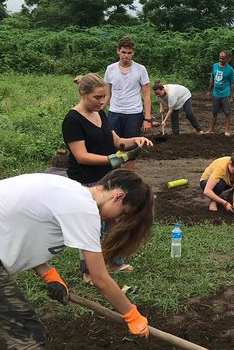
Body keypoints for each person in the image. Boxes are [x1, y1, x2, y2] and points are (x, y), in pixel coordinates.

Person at [0, 169, 153, 349]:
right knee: (26, 333)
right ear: (118, 196)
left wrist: (48, 274)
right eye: (122, 214)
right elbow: (100, 279)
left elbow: (25, 234)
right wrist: (131, 315)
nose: (116, 221)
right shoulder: (83, 208)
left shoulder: (70, 193)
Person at [62, 73, 153, 281]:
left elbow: (117, 141)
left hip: (107, 179)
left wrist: (134, 141)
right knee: (92, 227)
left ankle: (112, 262)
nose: (102, 102)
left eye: (104, 97)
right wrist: (111, 160)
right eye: (97, 97)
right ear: (83, 93)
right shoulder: (72, 120)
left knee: (116, 221)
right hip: (85, 181)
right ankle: (89, 271)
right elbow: (81, 156)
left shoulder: (100, 114)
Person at [104, 37, 152, 170]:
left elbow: (147, 95)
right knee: (112, 145)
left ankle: (129, 178)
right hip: (114, 112)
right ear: (118, 51)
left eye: (129, 53)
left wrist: (147, 118)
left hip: (134, 114)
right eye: (124, 52)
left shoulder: (140, 69)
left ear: (133, 53)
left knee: (131, 148)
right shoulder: (110, 69)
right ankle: (113, 176)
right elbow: (107, 94)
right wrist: (98, 113)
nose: (126, 55)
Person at [204, 50, 234, 136]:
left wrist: (232, 96)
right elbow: (212, 79)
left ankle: (227, 130)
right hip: (216, 94)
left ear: (227, 59)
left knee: (227, 113)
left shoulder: (230, 70)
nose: (221, 60)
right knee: (214, 112)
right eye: (220, 58)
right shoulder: (214, 66)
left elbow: (232, 84)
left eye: (223, 59)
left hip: (225, 94)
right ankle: (211, 129)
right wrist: (208, 91)